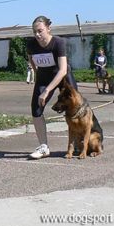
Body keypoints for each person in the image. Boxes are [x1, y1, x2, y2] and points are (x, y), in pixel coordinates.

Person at [27, 15, 78, 159]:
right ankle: (43, 147)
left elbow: (62, 70)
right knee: (36, 109)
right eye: (34, 32)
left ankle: (79, 142)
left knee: (76, 107)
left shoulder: (58, 43)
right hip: (44, 77)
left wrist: (48, 90)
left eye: (40, 31)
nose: (37, 35)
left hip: (63, 76)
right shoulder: (31, 44)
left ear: (48, 29)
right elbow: (31, 58)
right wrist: (37, 74)